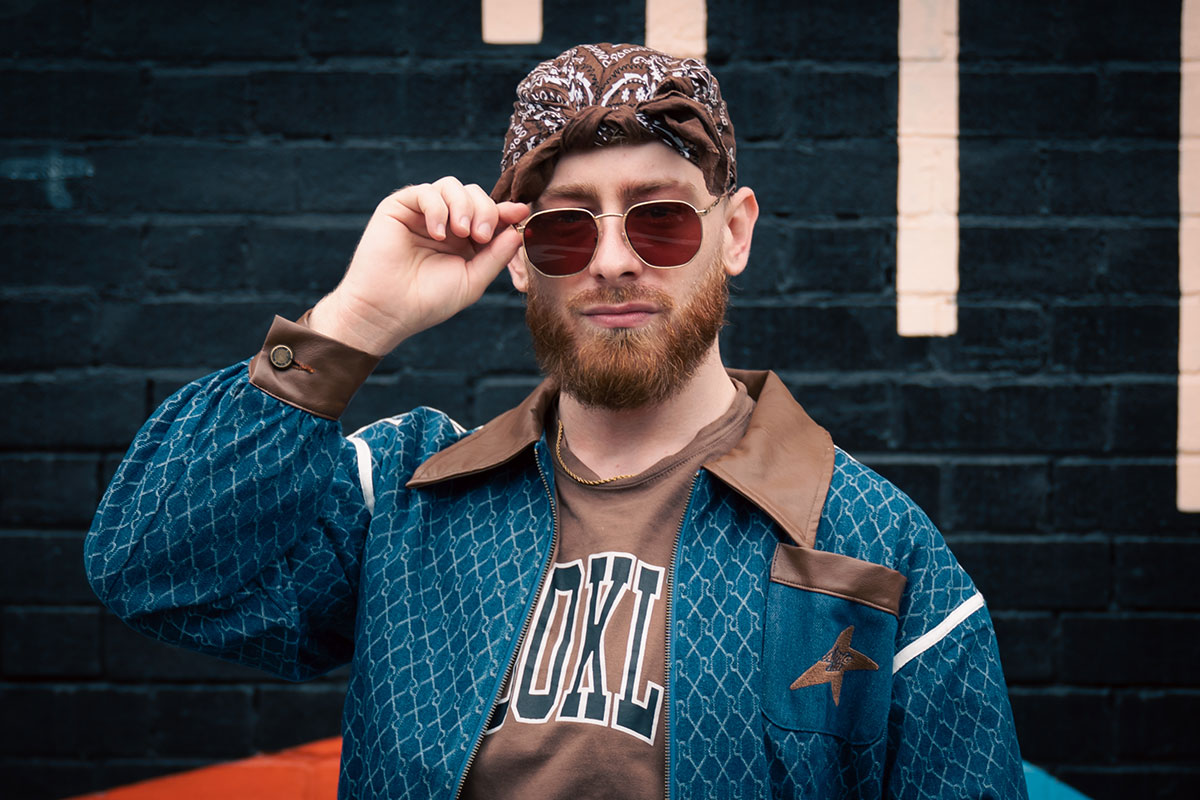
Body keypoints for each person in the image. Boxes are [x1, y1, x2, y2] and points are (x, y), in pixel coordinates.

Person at [87, 43, 1027, 799]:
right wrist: (354, 323)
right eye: (565, 227)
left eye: (660, 221)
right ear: (521, 257)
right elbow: (153, 566)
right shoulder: (410, 496)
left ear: (734, 231)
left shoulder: (869, 551)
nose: (613, 260)